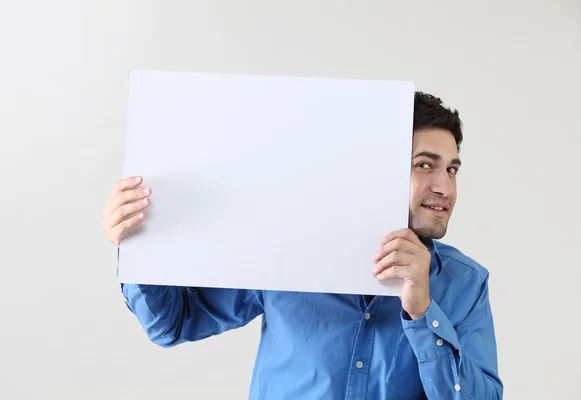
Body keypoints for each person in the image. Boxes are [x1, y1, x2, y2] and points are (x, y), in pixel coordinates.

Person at [102, 91, 503, 399]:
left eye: (452, 169)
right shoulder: (285, 251)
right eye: (425, 165)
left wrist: (422, 313)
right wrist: (139, 243)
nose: (444, 187)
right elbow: (173, 323)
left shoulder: (466, 284)